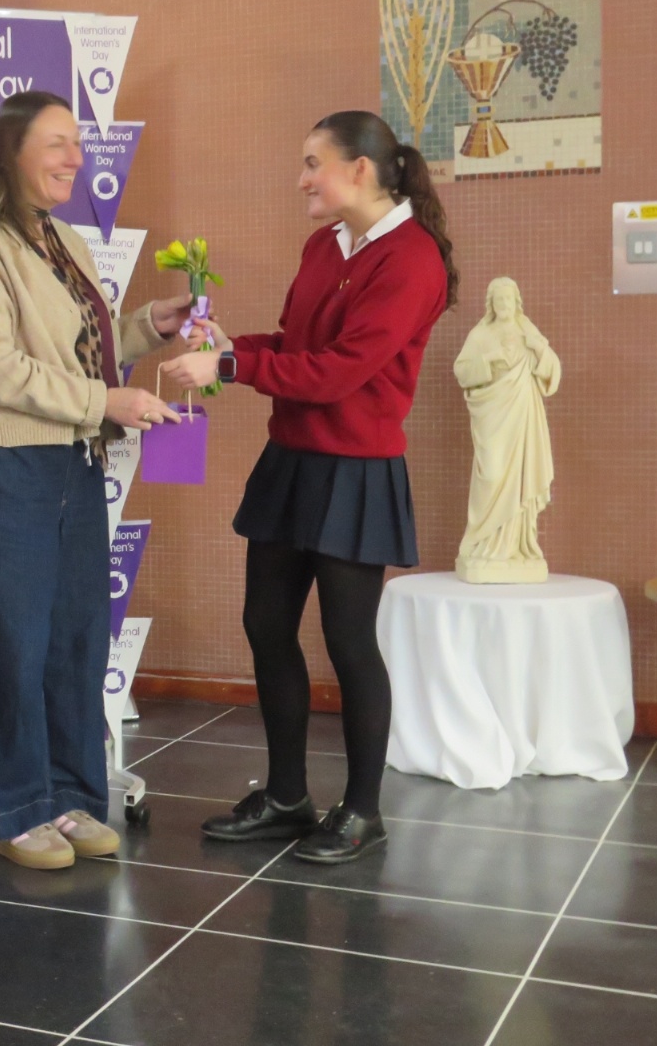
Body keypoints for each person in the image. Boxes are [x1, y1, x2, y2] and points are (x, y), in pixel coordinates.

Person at [162, 109, 456, 865]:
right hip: (293, 458)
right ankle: (288, 796)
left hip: (356, 468)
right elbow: (298, 345)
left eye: (312, 164)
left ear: (359, 169)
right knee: (265, 623)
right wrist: (231, 344)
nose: (301, 180)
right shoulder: (325, 245)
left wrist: (230, 368)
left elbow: (341, 371)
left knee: (350, 643)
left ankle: (362, 811)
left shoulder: (412, 258)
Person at [0, 90, 191, 870]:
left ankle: (69, 796)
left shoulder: (60, 236)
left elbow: (75, 346)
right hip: (4, 462)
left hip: (72, 459)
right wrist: (102, 403)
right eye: (57, 144)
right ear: (10, 153)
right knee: (9, 641)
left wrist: (145, 326)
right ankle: (9, 811)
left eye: (77, 144)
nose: (76, 159)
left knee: (73, 638)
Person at [453, 277, 559, 582]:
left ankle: (516, 547)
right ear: (491, 304)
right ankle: (482, 542)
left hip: (522, 414)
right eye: (498, 300)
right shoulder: (481, 334)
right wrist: (488, 359)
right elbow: (462, 370)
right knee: (492, 474)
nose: (503, 305)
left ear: (516, 302)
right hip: (492, 415)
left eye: (508, 299)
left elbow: (553, 370)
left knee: (520, 476)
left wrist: (540, 350)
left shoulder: (527, 330)